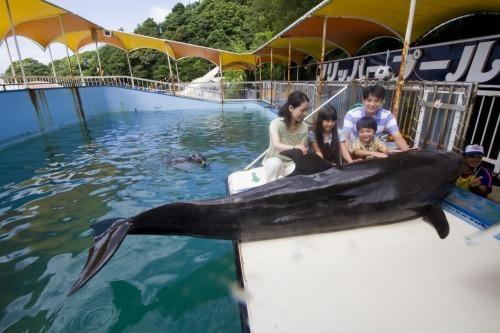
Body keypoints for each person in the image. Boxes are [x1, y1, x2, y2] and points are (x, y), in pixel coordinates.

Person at [343, 85, 409, 151]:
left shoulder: (387, 116)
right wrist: (350, 159)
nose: (372, 104)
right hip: (353, 149)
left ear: (382, 101)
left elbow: (397, 137)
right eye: (369, 100)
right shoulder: (351, 114)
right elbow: (345, 138)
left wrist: (406, 153)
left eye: (376, 101)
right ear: (363, 100)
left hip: (373, 150)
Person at [262, 91, 309, 182]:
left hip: (292, 162)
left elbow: (301, 150)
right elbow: (276, 145)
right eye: (302, 110)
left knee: (299, 174)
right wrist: (295, 147)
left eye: (306, 110)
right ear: (291, 108)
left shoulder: (304, 127)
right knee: (275, 164)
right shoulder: (276, 124)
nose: (305, 113)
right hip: (274, 159)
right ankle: (269, 190)